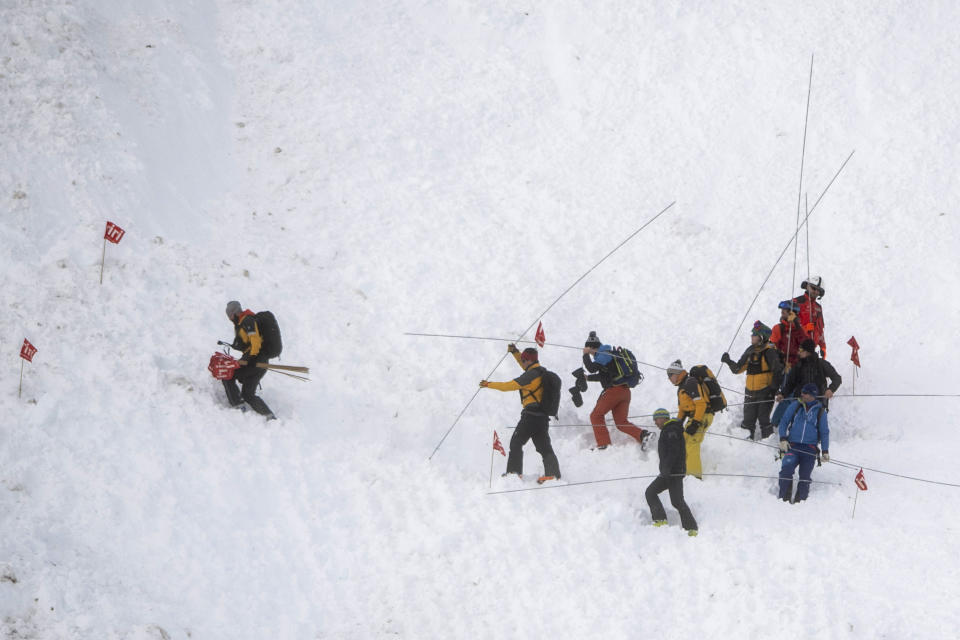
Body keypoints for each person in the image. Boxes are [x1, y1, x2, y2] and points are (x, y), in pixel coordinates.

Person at [480, 345, 561, 484]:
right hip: (542, 418)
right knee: (544, 446)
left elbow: (508, 386)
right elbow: (524, 364)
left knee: (516, 443)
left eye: (523, 360)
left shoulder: (530, 376)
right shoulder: (540, 372)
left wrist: (488, 384)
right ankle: (553, 474)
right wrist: (515, 353)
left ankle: (514, 473)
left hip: (530, 416)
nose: (522, 363)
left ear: (528, 361)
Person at [581, 331, 651, 450]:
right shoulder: (608, 356)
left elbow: (591, 368)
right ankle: (643, 435)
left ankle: (604, 445)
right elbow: (603, 376)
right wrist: (588, 378)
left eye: (591, 351)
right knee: (621, 422)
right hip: (625, 392)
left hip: (615, 391)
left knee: (596, 416)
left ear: (592, 347)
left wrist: (585, 354)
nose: (592, 356)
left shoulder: (603, 353)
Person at [721, 321, 784, 440]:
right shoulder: (750, 350)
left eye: (754, 335)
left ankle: (767, 447)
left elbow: (777, 371)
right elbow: (738, 369)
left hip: (765, 393)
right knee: (747, 422)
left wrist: (774, 390)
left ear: (761, 338)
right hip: (750, 393)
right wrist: (728, 361)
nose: (752, 337)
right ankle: (745, 446)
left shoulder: (770, 351)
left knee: (764, 421)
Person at [645, 408, 698, 536]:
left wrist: (667, 469)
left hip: (673, 472)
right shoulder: (669, 430)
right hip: (670, 472)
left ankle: (691, 528)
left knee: (674, 500)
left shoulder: (671, 430)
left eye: (656, 419)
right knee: (655, 493)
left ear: (663, 418)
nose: (655, 423)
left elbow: (674, 451)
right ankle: (662, 520)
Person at [777, 383, 830, 503]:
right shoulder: (795, 406)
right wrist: (783, 438)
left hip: (810, 449)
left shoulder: (821, 411)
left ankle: (800, 502)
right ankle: (783, 498)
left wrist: (825, 451)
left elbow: (824, 432)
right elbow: (784, 422)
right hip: (793, 446)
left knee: (805, 476)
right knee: (786, 469)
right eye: (802, 392)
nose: (802, 394)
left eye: (805, 393)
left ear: (812, 395)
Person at [223, 300, 276, 420]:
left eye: (230, 316)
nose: (230, 319)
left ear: (235, 313)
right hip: (260, 362)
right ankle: (269, 416)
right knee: (248, 394)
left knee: (228, 375)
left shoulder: (247, 321)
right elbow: (248, 344)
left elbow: (255, 343)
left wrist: (248, 358)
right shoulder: (242, 323)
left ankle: (237, 406)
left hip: (255, 362)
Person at [666, 359, 711, 479]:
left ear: (676, 374)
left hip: (702, 416)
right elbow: (683, 409)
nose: (669, 379)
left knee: (691, 444)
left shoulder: (689, 382)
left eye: (670, 376)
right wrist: (676, 423)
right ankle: (686, 473)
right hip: (695, 416)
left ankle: (695, 477)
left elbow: (701, 404)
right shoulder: (681, 386)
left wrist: (695, 423)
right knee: (684, 442)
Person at [792, 276, 827, 358]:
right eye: (813, 288)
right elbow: (788, 327)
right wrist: (805, 328)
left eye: (818, 290)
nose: (815, 291)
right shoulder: (796, 302)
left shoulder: (818, 308)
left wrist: (823, 347)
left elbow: (820, 330)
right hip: (796, 349)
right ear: (807, 286)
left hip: (811, 351)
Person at [769, 300, 809, 371]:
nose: (782, 312)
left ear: (793, 313)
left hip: (799, 367)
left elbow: (806, 345)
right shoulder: (778, 328)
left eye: (785, 310)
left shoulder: (801, 329)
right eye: (782, 310)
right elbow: (771, 348)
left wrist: (796, 324)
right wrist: (781, 362)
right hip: (782, 366)